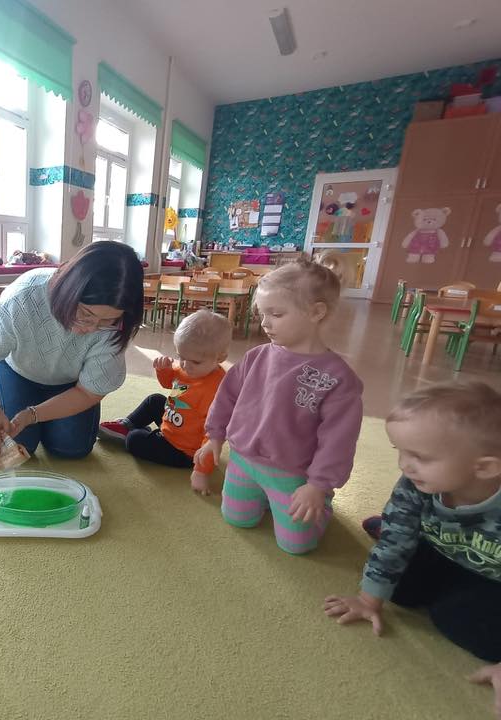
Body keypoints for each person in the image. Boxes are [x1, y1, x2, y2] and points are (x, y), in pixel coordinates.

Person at [324, 382, 501, 719]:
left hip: (493, 576)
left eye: (420, 457)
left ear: (485, 467)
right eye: (400, 451)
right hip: (443, 547)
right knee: (396, 585)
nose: (405, 465)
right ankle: (389, 524)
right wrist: (368, 600)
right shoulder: (417, 483)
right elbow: (394, 543)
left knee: (466, 626)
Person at [195, 257, 363, 554]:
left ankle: (321, 506)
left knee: (296, 546)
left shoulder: (337, 378)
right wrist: (215, 437)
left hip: (292, 473)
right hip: (244, 460)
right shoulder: (257, 356)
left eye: (276, 314)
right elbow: (226, 396)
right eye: (262, 314)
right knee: (237, 519)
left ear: (317, 312)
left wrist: (318, 485)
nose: (265, 323)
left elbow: (339, 440)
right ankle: (266, 499)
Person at [0, 241, 144, 460]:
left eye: (107, 321)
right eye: (85, 314)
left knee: (72, 448)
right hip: (17, 370)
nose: (90, 328)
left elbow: (88, 392)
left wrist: (32, 415)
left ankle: (40, 419)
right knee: (17, 443)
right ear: (68, 288)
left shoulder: (119, 325)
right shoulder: (25, 296)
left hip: (71, 384)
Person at [99, 309, 231, 495]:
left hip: (184, 451)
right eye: (181, 357)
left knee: (134, 440)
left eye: (195, 362)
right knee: (155, 400)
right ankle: (126, 424)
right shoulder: (190, 367)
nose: (185, 365)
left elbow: (213, 436)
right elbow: (170, 384)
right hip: (175, 419)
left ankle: (133, 433)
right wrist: (164, 370)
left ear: (220, 358)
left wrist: (201, 471)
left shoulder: (215, 392)